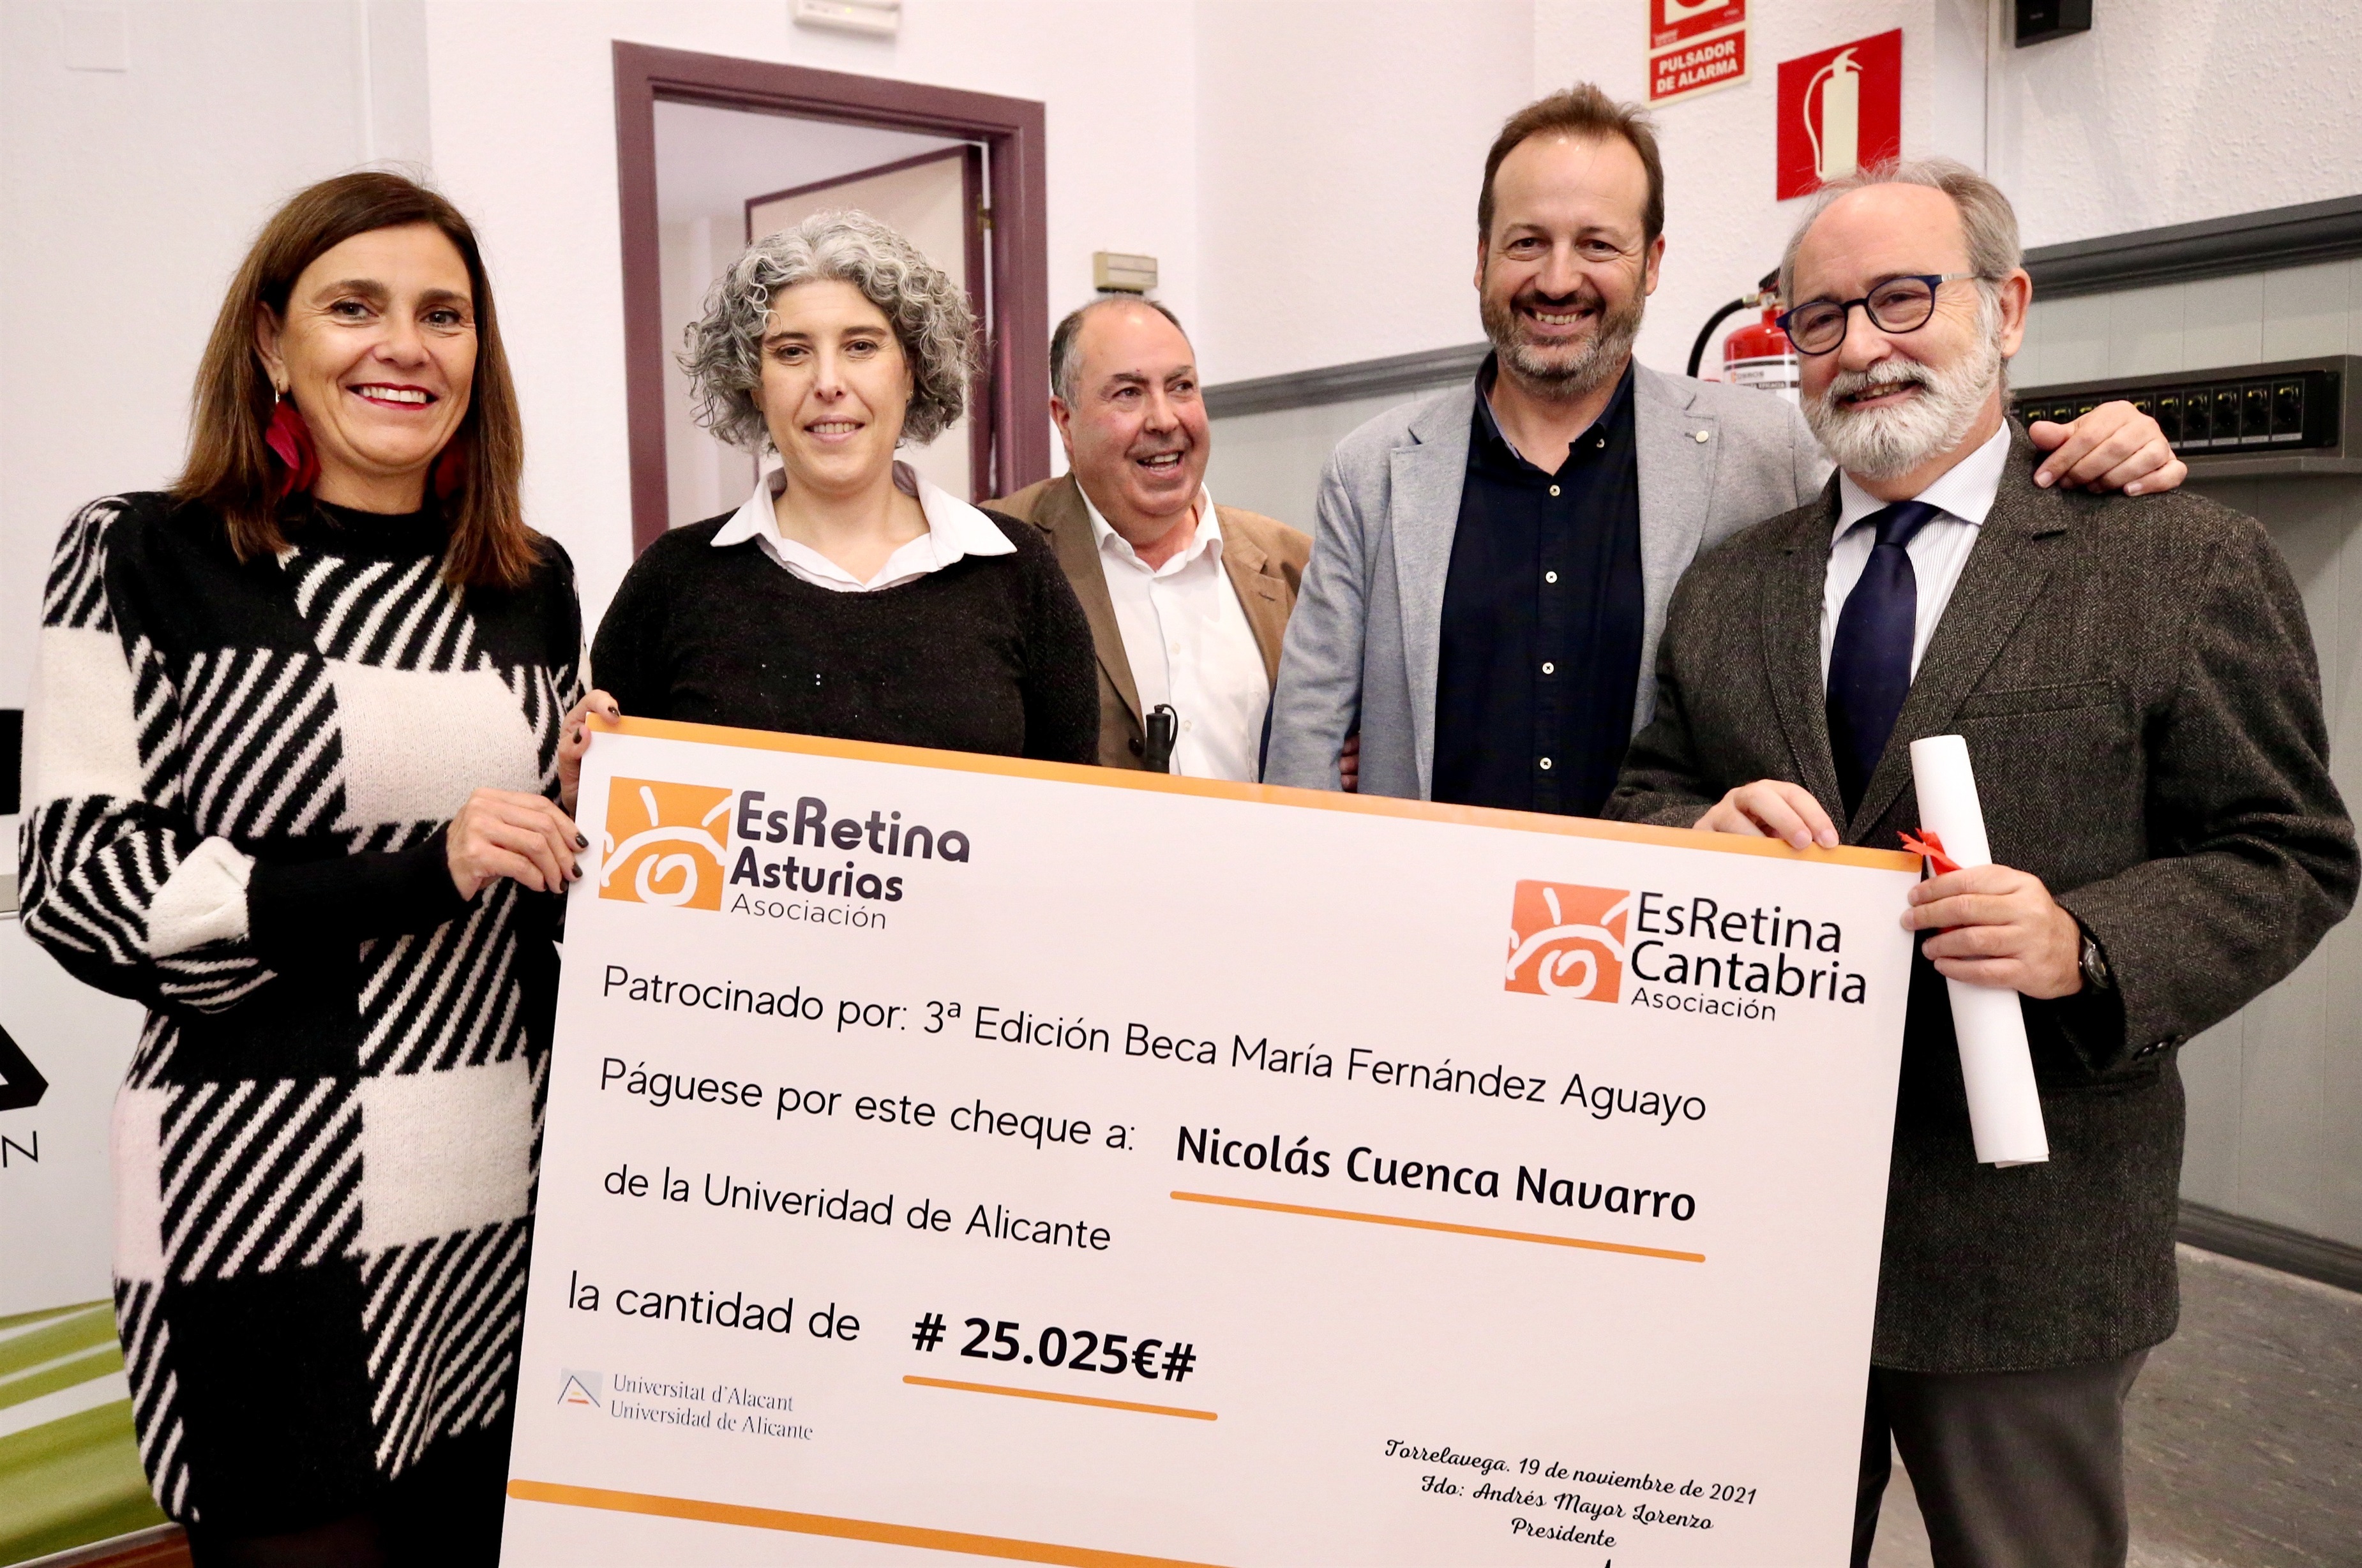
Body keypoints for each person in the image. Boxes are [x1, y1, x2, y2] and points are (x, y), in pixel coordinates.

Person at [1604, 158, 2357, 1566]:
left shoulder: (2176, 560)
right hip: (1757, 1222)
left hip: (2030, 1237)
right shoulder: (1732, 585)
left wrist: (2087, 942)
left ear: (2005, 310)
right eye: (1818, 317)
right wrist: (1694, 835)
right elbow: (1649, 789)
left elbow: (2289, 852)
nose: (1861, 347)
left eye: (1903, 298)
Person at [18, 172, 613, 1566]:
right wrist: (424, 867)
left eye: (444, 315)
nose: (405, 346)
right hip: (263, 1203)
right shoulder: (143, 552)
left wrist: (596, 813)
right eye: (356, 306)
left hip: (507, 1192)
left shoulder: (527, 577)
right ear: (271, 341)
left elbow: (528, 877)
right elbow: (83, 880)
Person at [1264, 84, 2185, 814]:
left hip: (1672, 945)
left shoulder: (1769, 447)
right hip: (1430, 931)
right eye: (1526, 243)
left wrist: (2078, 447)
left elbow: (1923, 472)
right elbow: (1307, 736)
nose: (1557, 278)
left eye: (1597, 244)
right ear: (1480, 259)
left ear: (1652, 263)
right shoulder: (1372, 470)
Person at [591, 211, 1096, 766]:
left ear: (912, 370)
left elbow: (1075, 808)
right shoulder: (672, 581)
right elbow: (617, 806)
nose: (828, 383)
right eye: (791, 352)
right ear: (753, 384)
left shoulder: (1018, 573)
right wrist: (581, 787)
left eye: (861, 346)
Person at [992, 297, 1311, 779]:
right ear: (1065, 419)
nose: (1164, 420)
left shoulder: (1294, 566)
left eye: (1181, 387)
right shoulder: (998, 555)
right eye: (1129, 393)